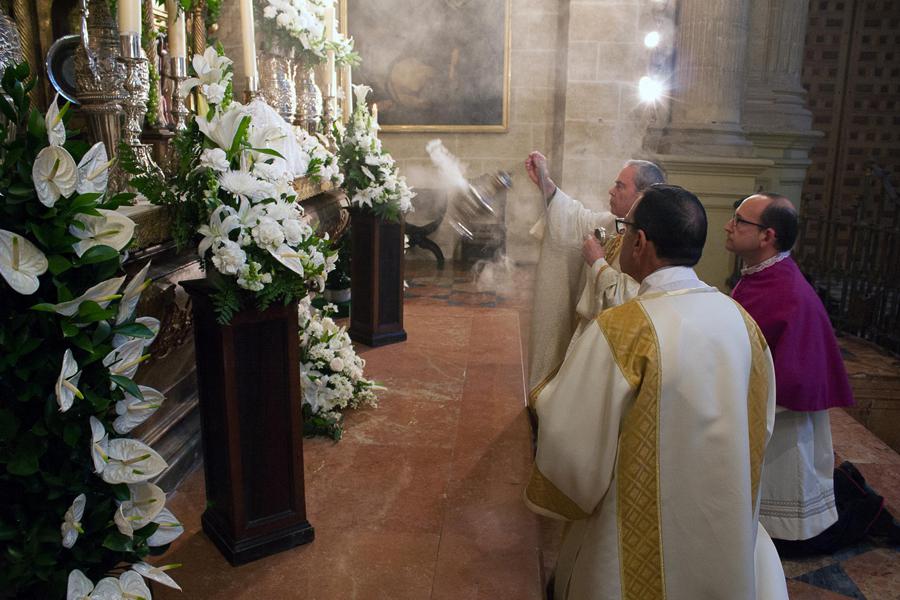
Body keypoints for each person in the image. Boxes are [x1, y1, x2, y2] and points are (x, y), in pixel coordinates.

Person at [526, 184, 787, 600]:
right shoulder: (742, 323)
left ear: (640, 242)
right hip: (726, 527)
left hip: (631, 538)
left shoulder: (624, 329)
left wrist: (543, 397)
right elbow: (762, 425)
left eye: (625, 230)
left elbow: (572, 444)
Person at [727, 192, 898, 556]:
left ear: (766, 236)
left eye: (740, 220)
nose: (730, 225)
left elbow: (797, 380)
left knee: (789, 540)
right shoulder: (764, 276)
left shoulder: (788, 293)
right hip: (763, 419)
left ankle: (868, 513)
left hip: (782, 427)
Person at [523, 151, 665, 404]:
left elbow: (635, 301)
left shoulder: (653, 243)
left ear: (643, 196)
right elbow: (577, 219)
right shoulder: (616, 224)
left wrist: (598, 263)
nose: (611, 191)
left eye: (620, 186)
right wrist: (547, 185)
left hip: (615, 357)